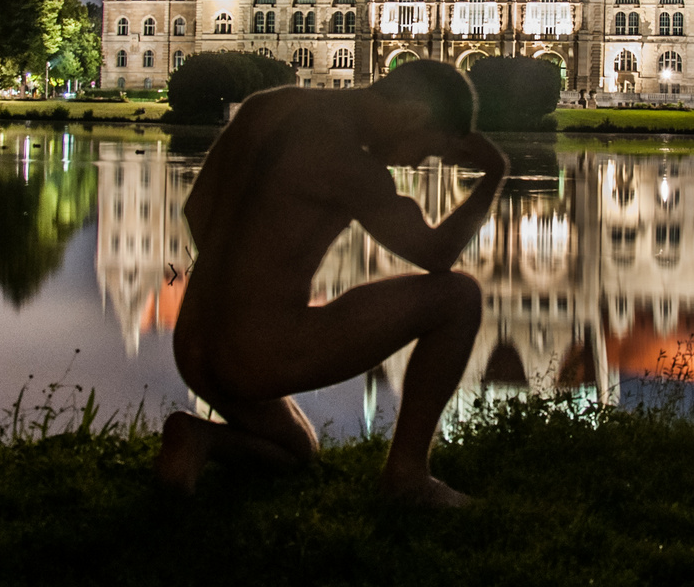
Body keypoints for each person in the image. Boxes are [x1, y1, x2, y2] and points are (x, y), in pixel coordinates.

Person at [155, 60, 507, 506]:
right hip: (255, 352)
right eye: (428, 151)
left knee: (296, 451)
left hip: (194, 342)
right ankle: (407, 477)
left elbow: (196, 210)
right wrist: (492, 173)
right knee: (458, 297)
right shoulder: (349, 164)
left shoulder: (267, 106)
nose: (416, 163)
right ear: (414, 114)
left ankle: (196, 438)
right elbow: (437, 256)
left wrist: (249, 273)